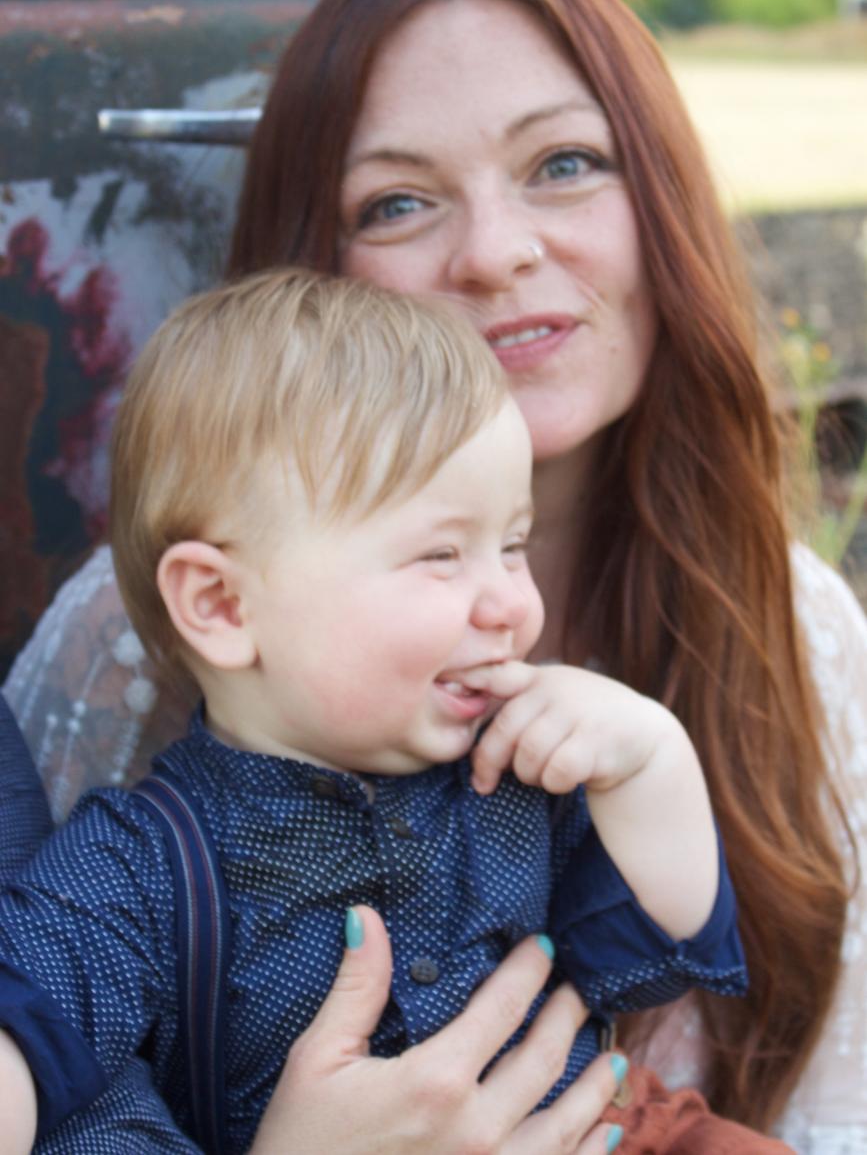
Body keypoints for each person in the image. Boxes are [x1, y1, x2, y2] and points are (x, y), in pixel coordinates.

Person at [4, 0, 865, 1151]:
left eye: (564, 163)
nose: (499, 253)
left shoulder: (796, 631)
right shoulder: (121, 666)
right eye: (399, 199)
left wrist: (658, 767)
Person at [0, 267, 751, 1153]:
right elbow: (30, 1043)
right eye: (440, 554)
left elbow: (654, 950)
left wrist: (652, 766)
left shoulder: (513, 765)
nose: (509, 603)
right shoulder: (138, 864)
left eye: (510, 545)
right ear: (223, 607)